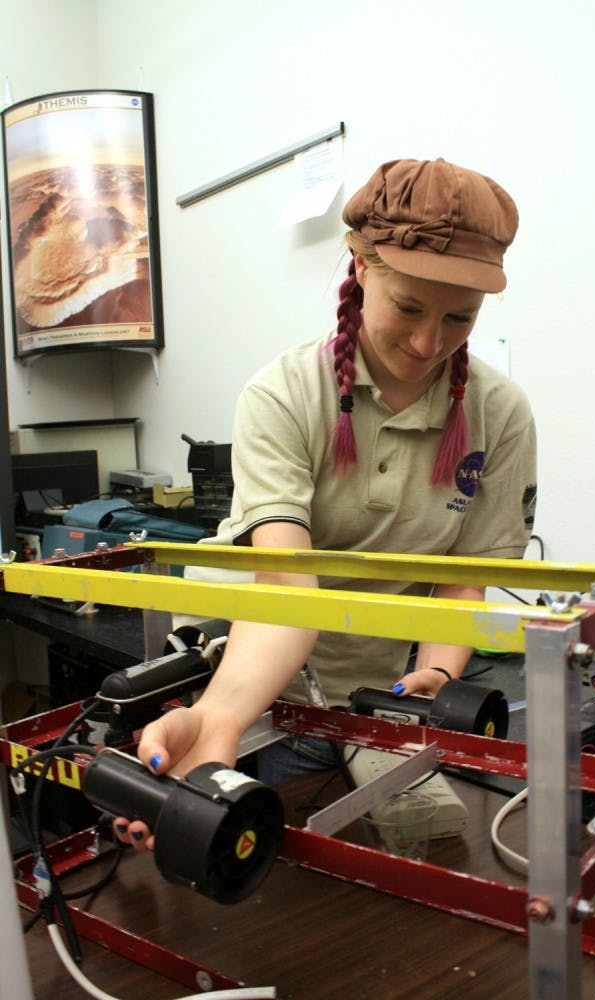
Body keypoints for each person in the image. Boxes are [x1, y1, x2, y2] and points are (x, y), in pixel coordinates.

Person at [114, 156, 536, 850]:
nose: (428, 342)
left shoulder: (500, 413)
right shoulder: (282, 394)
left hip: (369, 688)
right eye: (408, 308)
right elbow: (288, 590)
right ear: (361, 267)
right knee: (236, 844)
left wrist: (437, 674)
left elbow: (463, 580)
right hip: (244, 667)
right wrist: (218, 721)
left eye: (459, 317)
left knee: (395, 848)